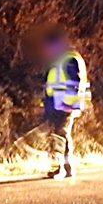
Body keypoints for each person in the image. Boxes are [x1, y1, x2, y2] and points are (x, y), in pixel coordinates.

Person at [41, 28, 91, 180]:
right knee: (63, 134)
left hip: (64, 104)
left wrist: (69, 103)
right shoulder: (60, 59)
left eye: (48, 46)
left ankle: (59, 168)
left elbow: (74, 83)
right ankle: (68, 167)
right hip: (58, 103)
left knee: (58, 135)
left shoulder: (68, 59)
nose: (46, 50)